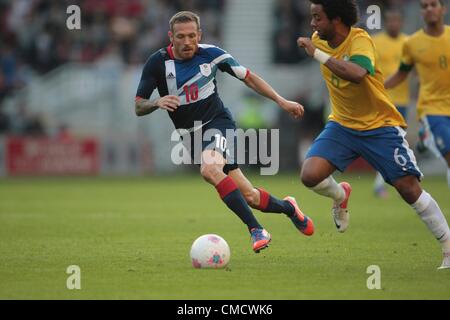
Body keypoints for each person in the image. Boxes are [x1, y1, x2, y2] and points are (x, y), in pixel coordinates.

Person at [135, 11, 314, 253]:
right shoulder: (156, 63)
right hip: (191, 137)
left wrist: (282, 101)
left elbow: (249, 78)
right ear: (171, 37)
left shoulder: (213, 55)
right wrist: (156, 102)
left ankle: (256, 229)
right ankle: (290, 208)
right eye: (181, 37)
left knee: (209, 170)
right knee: (250, 196)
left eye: (191, 36)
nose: (187, 42)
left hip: (217, 123)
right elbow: (139, 105)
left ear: (199, 34)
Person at [297, 0, 450, 269]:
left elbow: (356, 74)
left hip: (378, 126)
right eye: (312, 18)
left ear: (336, 20)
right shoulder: (318, 40)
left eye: (317, 18)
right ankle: (340, 196)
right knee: (309, 175)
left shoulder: (360, 40)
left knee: (408, 188)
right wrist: (317, 51)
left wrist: (317, 55)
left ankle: (448, 246)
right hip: (342, 125)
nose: (312, 24)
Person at [385, 0, 450, 189]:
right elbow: (401, 73)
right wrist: (377, 87)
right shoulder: (412, 43)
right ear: (421, 12)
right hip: (432, 108)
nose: (429, 9)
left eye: (433, 4)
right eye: (424, 6)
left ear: (442, 9)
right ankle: (427, 134)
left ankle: (425, 137)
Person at [372, 9, 411, 198]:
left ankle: (383, 182)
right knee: (387, 142)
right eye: (390, 21)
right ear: (386, 23)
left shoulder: (407, 43)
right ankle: (383, 183)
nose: (393, 24)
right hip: (381, 100)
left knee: (395, 142)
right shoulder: (376, 42)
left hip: (401, 100)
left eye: (397, 20)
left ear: (401, 23)